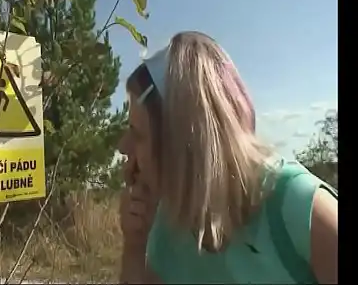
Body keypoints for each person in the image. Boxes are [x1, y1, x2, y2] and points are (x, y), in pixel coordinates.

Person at [118, 31, 338, 284]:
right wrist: (135, 248)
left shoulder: (298, 210)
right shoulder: (169, 224)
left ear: (182, 145)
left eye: (137, 133)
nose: (123, 146)